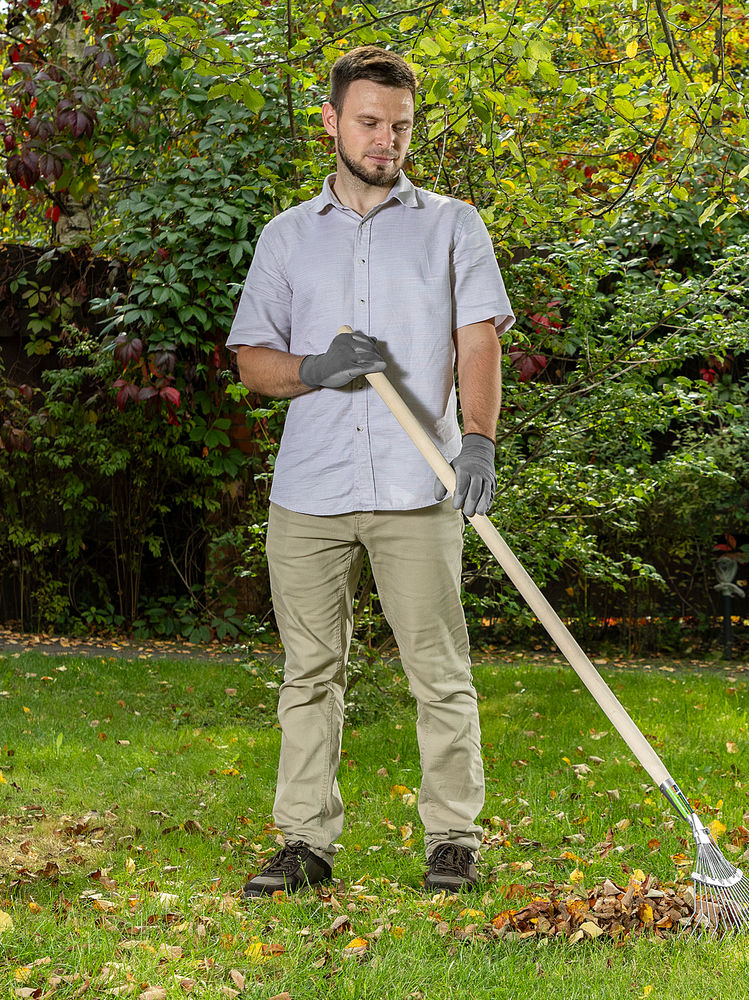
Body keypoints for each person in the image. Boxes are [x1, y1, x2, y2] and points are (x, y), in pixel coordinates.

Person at [226, 45, 514, 898]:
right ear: (331, 122)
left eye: (400, 126)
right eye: (369, 122)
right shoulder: (286, 237)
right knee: (309, 674)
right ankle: (305, 843)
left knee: (440, 670)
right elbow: (251, 360)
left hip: (414, 486)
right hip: (309, 492)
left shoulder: (452, 225)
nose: (386, 140)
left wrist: (480, 439)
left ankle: (452, 841)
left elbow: (478, 339)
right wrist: (315, 368)